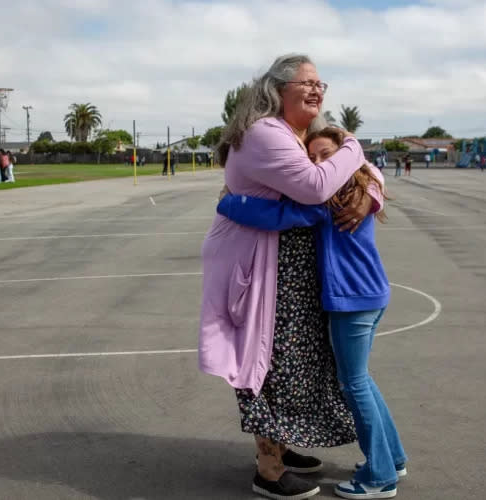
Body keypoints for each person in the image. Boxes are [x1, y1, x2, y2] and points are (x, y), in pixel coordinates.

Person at [199, 54, 379, 500]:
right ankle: (269, 470)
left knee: (292, 361)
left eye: (322, 83)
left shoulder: (301, 134)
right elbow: (318, 185)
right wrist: (354, 147)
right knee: (265, 363)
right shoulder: (265, 133)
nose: (318, 89)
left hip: (290, 267)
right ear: (278, 89)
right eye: (307, 82)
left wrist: (370, 191)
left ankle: (279, 441)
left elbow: (360, 175)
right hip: (259, 265)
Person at [218, 127, 407, 500]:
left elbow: (277, 214)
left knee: (353, 383)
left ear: (346, 161)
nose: (319, 164)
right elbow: (370, 175)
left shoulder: (329, 199)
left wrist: (228, 203)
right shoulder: (357, 189)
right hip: (370, 295)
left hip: (350, 301)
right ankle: (393, 458)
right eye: (313, 158)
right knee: (361, 380)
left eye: (327, 156)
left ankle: (381, 476)